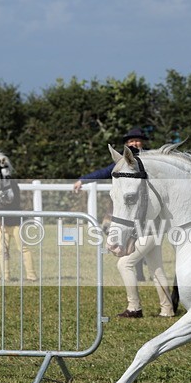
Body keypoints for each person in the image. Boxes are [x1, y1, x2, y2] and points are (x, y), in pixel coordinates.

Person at [74, 127, 175, 318]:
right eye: (132, 141)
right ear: (127, 144)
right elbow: (105, 172)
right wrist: (84, 180)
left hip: (151, 226)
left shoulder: (149, 162)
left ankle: (134, 308)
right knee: (156, 268)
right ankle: (167, 309)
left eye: (138, 141)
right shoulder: (125, 163)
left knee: (124, 264)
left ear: (141, 143)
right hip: (146, 227)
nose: (135, 144)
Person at [0, 179, 38, 282]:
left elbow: (11, 203)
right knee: (2, 250)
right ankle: (6, 277)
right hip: (2, 223)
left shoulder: (12, 185)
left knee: (23, 248)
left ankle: (31, 275)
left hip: (15, 222)